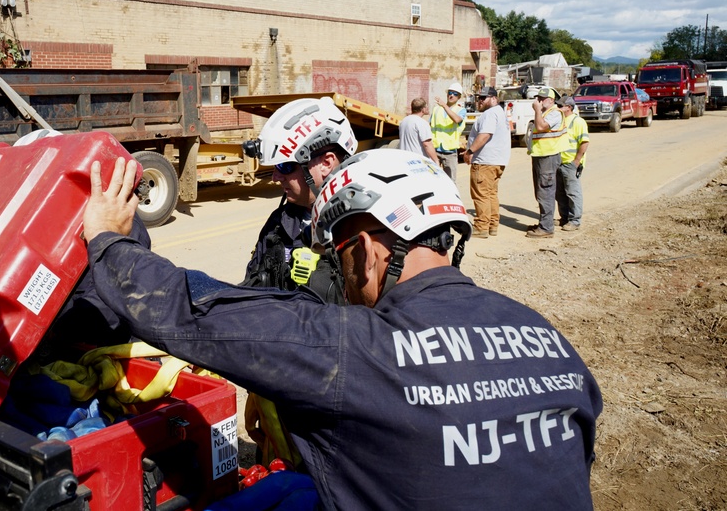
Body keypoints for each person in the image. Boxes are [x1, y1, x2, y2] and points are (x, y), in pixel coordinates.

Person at [81, 150, 603, 510]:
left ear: (369, 250)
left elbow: (196, 313)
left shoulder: (356, 349)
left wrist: (108, 240)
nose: (345, 277)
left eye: (340, 254)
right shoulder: (547, 337)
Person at [239, 96, 357, 304]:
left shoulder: (366, 226)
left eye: (284, 166)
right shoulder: (278, 225)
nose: (275, 177)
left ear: (326, 163)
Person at [463, 86, 510, 238]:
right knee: (491, 194)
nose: (480, 101)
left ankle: (481, 226)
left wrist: (470, 151)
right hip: (496, 161)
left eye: (484, 98)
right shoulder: (499, 113)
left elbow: (485, 135)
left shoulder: (490, 114)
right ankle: (492, 225)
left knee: (481, 194)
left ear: (494, 98)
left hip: (485, 161)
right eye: (479, 98)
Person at [527, 86, 568, 238]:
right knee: (540, 192)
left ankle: (546, 227)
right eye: (538, 98)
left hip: (548, 157)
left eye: (543, 99)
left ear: (551, 100)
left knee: (546, 192)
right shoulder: (545, 113)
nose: (539, 101)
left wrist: (537, 110)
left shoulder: (555, 113)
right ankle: (544, 222)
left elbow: (541, 126)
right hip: (540, 156)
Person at [556, 96, 589, 232]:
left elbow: (584, 142)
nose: (558, 109)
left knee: (572, 192)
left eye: (560, 106)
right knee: (560, 193)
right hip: (559, 162)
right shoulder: (560, 121)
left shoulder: (578, 122)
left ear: (569, 107)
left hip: (570, 163)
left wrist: (577, 161)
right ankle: (564, 217)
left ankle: (575, 220)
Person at [430, 82, 466, 181]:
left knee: (450, 181)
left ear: (459, 97)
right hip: (435, 149)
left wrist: (444, 106)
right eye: (450, 92)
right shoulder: (436, 109)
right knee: (432, 179)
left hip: (450, 152)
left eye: (455, 94)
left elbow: (457, 120)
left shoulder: (461, 110)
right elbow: (430, 126)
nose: (451, 95)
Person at [398, 97, 440, 164]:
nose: (427, 108)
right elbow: (427, 144)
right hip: (417, 162)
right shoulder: (422, 123)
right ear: (423, 109)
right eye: (426, 107)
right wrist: (436, 160)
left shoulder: (404, 121)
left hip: (405, 160)